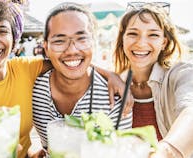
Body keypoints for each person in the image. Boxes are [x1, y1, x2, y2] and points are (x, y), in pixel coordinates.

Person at [0, 0, 133, 157]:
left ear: (14, 39)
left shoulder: (26, 69)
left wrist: (110, 74)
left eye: (2, 31)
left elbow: (67, 60)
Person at [32, 2, 132, 156]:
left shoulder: (115, 98)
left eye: (82, 39)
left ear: (93, 43)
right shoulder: (31, 87)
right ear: (46, 47)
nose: (72, 50)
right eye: (59, 40)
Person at [114, 3, 193, 158]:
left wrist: (167, 151)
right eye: (133, 33)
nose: (141, 43)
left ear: (164, 42)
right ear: (123, 39)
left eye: (153, 35)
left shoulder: (182, 74)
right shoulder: (114, 83)